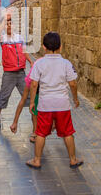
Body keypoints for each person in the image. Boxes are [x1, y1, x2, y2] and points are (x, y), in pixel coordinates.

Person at [26, 32, 83, 169]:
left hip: (45, 104)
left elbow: (34, 84)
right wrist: (75, 98)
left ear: (44, 47)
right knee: (68, 132)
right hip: (62, 104)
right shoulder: (66, 63)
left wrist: (33, 101)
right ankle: (73, 159)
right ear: (60, 47)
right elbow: (73, 84)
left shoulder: (39, 64)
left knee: (40, 133)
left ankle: (37, 160)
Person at [0, 12, 33, 128]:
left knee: (30, 96)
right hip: (9, 73)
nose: (10, 25)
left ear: (15, 26)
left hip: (21, 73)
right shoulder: (3, 39)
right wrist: (5, 20)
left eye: (11, 23)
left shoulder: (20, 38)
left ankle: (35, 118)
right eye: (7, 24)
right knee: (4, 94)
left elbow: (24, 51)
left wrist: (30, 61)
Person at [10, 63, 40, 143]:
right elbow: (23, 100)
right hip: (37, 87)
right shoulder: (30, 82)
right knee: (34, 110)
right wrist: (15, 122)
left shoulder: (40, 63)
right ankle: (35, 131)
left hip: (47, 87)